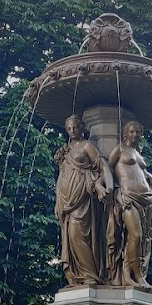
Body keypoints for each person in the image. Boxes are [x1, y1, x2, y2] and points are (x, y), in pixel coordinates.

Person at [54, 114, 113, 286]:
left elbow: (102, 166)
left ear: (82, 127)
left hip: (84, 200)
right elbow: (63, 175)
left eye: (75, 127)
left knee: (78, 234)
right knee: (71, 239)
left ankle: (90, 275)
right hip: (66, 202)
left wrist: (108, 186)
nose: (72, 131)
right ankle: (77, 275)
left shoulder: (87, 146)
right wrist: (59, 200)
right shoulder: (66, 150)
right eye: (69, 128)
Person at [107, 120, 152, 290]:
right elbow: (107, 169)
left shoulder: (138, 153)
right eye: (131, 131)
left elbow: (138, 171)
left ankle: (133, 275)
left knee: (140, 238)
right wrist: (112, 191)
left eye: (137, 132)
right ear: (125, 133)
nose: (135, 134)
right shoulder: (120, 149)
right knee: (135, 235)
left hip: (145, 199)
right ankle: (132, 275)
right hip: (127, 197)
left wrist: (150, 177)